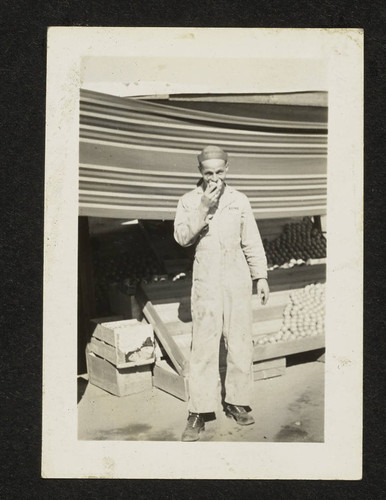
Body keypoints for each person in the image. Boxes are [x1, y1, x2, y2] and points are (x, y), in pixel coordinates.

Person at [174, 145, 270, 442]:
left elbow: (251, 240)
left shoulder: (239, 201)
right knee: (203, 345)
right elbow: (182, 238)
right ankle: (199, 411)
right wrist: (203, 206)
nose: (214, 179)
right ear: (199, 173)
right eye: (208, 173)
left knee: (239, 340)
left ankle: (237, 400)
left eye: (219, 172)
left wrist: (261, 276)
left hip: (237, 277)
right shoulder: (189, 201)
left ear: (227, 169)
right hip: (206, 279)